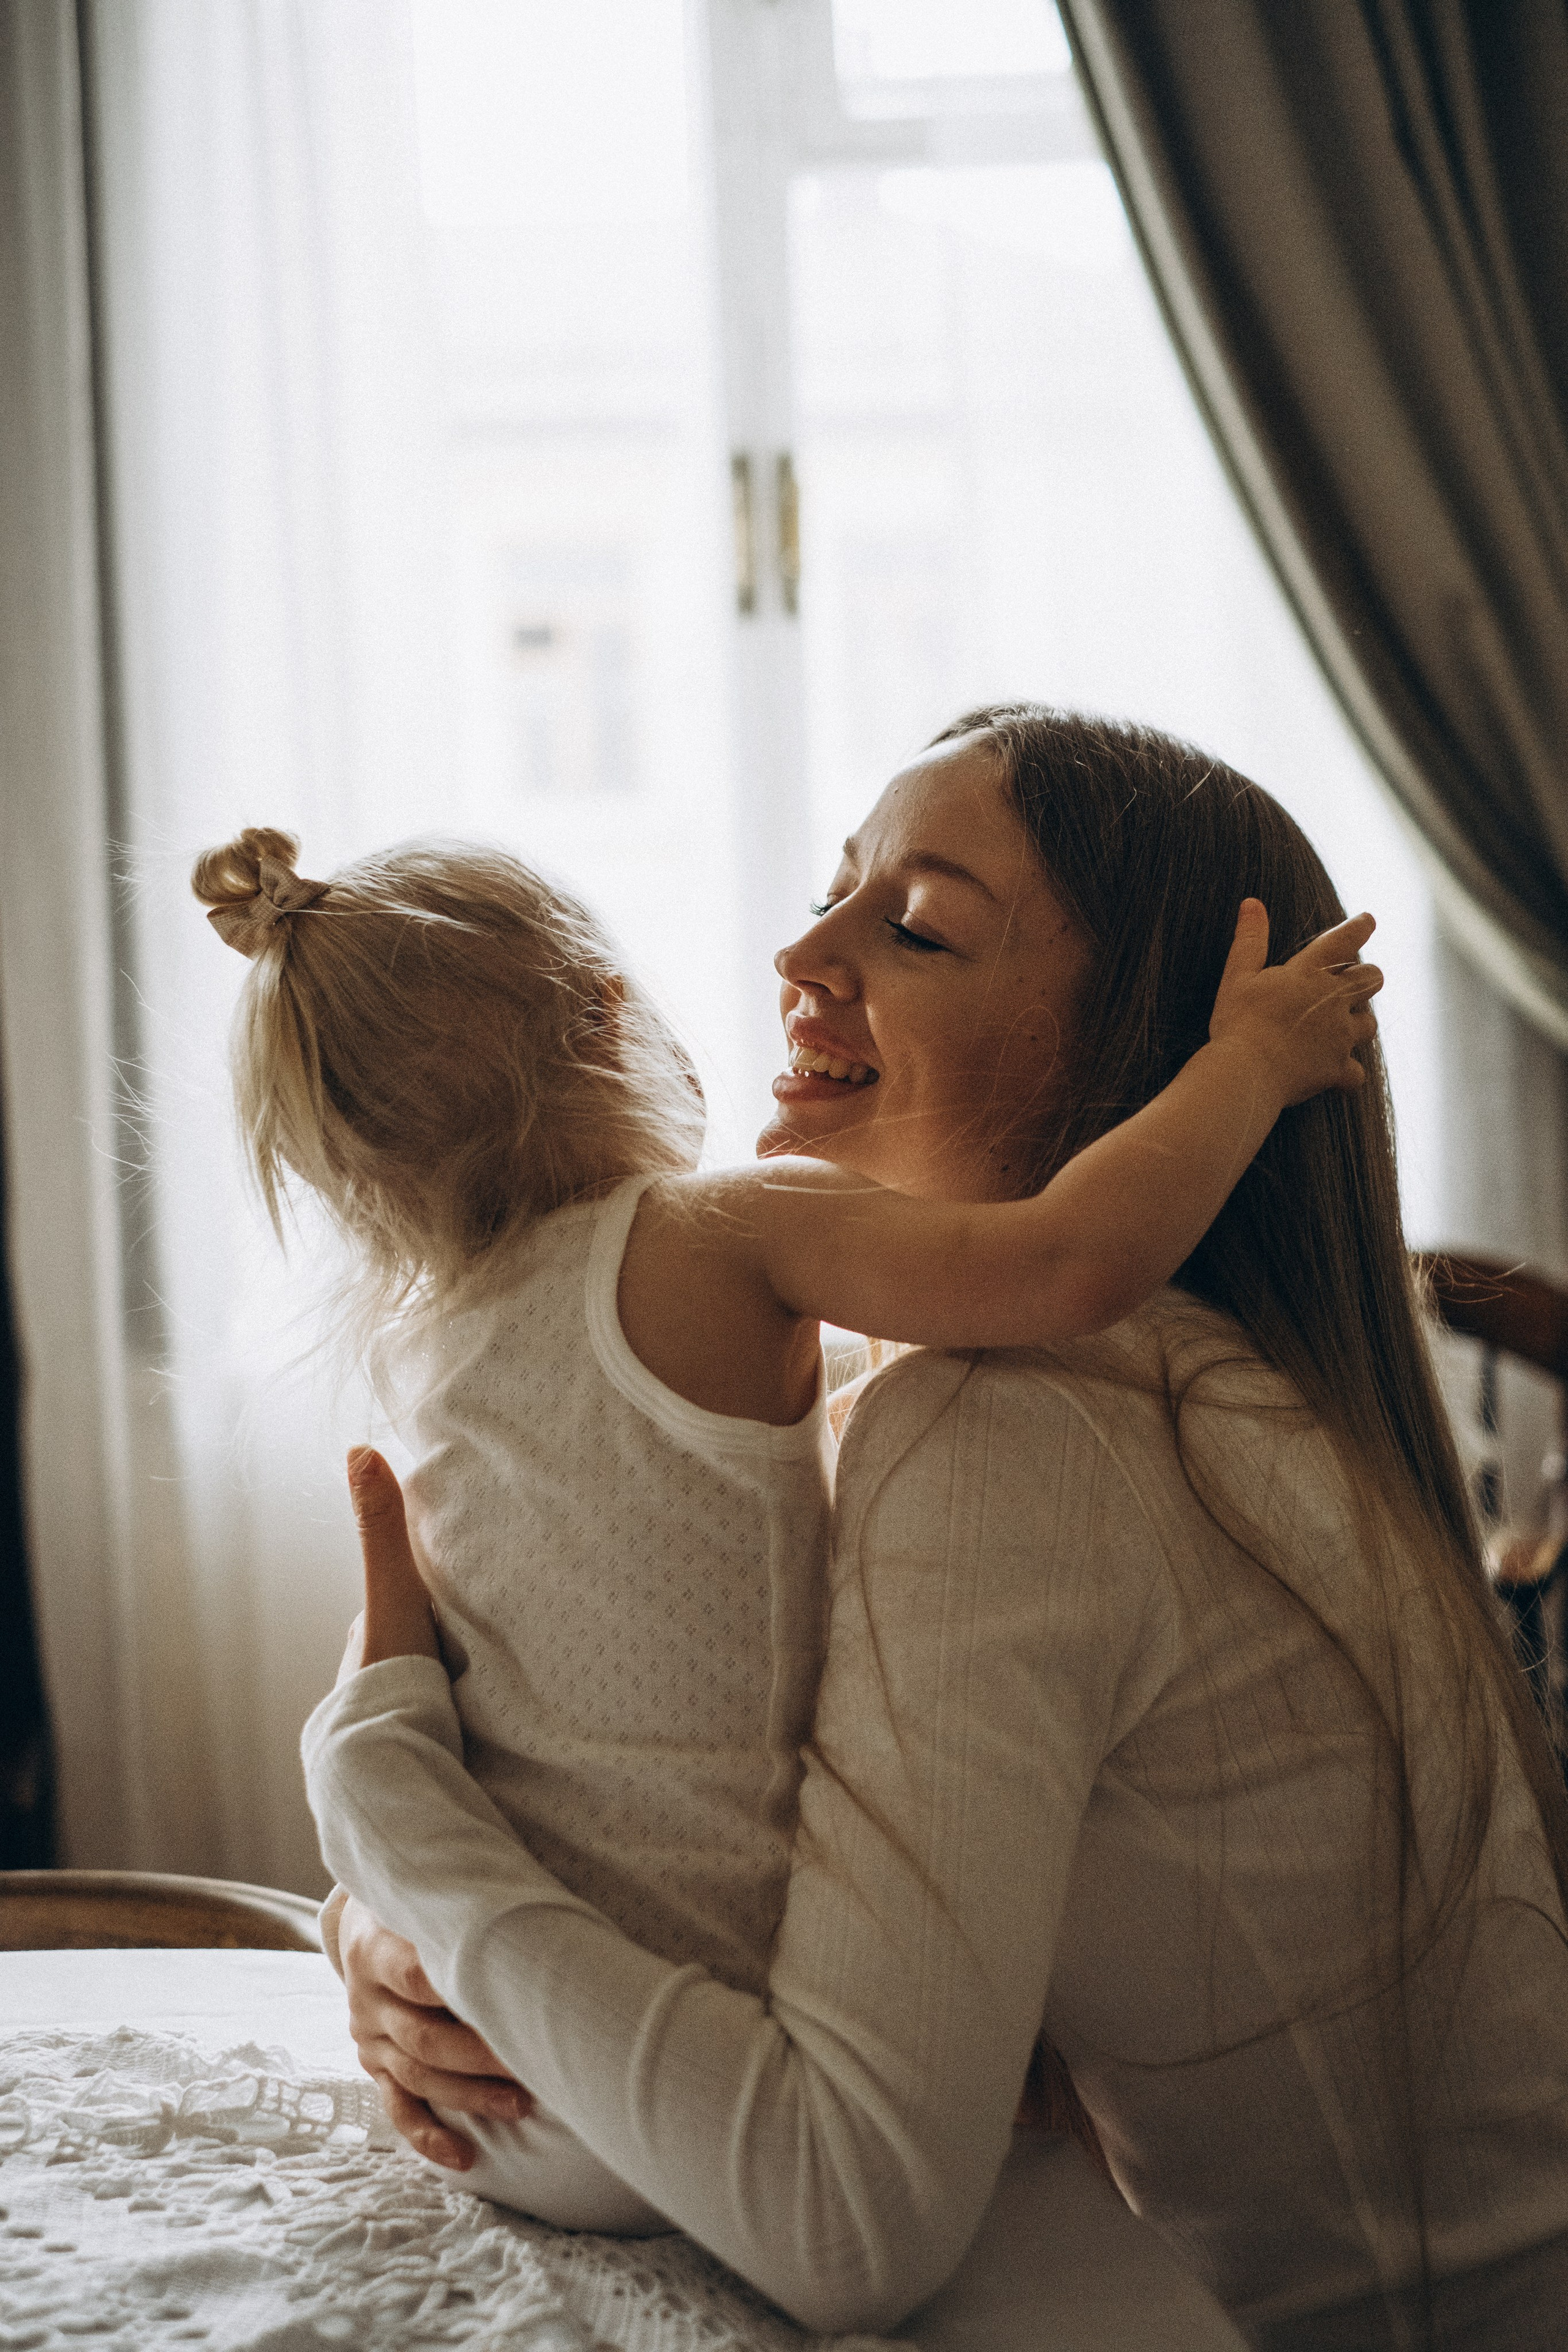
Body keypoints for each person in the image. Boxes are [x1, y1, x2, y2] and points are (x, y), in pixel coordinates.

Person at [308, 709, 1568, 2351]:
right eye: (839, 889)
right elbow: (643, 1780)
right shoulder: (1133, 1398)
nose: (801, 950)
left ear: (1136, 1061)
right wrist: (390, 1947)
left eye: (913, 927)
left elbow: (843, 2215)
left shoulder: (1027, 1440)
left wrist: (393, 1828)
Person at [194, 791, 1369, 2233]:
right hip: (709, 2071)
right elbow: (1067, 1258)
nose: (798, 953)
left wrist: (393, 1919)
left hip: (514, 2086)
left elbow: (471, 1718)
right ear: (607, 1017)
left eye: (920, 925)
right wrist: (1244, 1065)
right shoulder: (715, 1233)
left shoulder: (436, 1355)